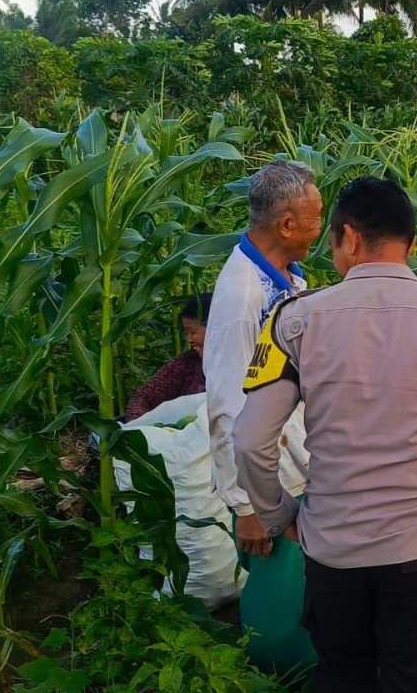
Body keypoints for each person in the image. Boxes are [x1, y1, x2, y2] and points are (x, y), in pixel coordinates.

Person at [233, 176, 417, 693]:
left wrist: (282, 518)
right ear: (412, 246)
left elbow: (251, 442)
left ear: (348, 237)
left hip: (333, 555)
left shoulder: (292, 321)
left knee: (343, 677)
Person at [202, 160, 322, 672]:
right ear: (287, 224)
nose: (324, 228)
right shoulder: (241, 296)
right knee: (277, 615)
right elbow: (227, 404)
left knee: (302, 599)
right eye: (317, 218)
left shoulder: (287, 278)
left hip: (294, 467)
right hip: (267, 484)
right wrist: (244, 504)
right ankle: (276, 679)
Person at [125, 293, 211, 421]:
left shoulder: (245, 366)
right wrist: (141, 428)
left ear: (214, 327)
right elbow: (144, 397)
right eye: (186, 333)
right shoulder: (187, 362)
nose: (189, 339)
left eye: (192, 332)